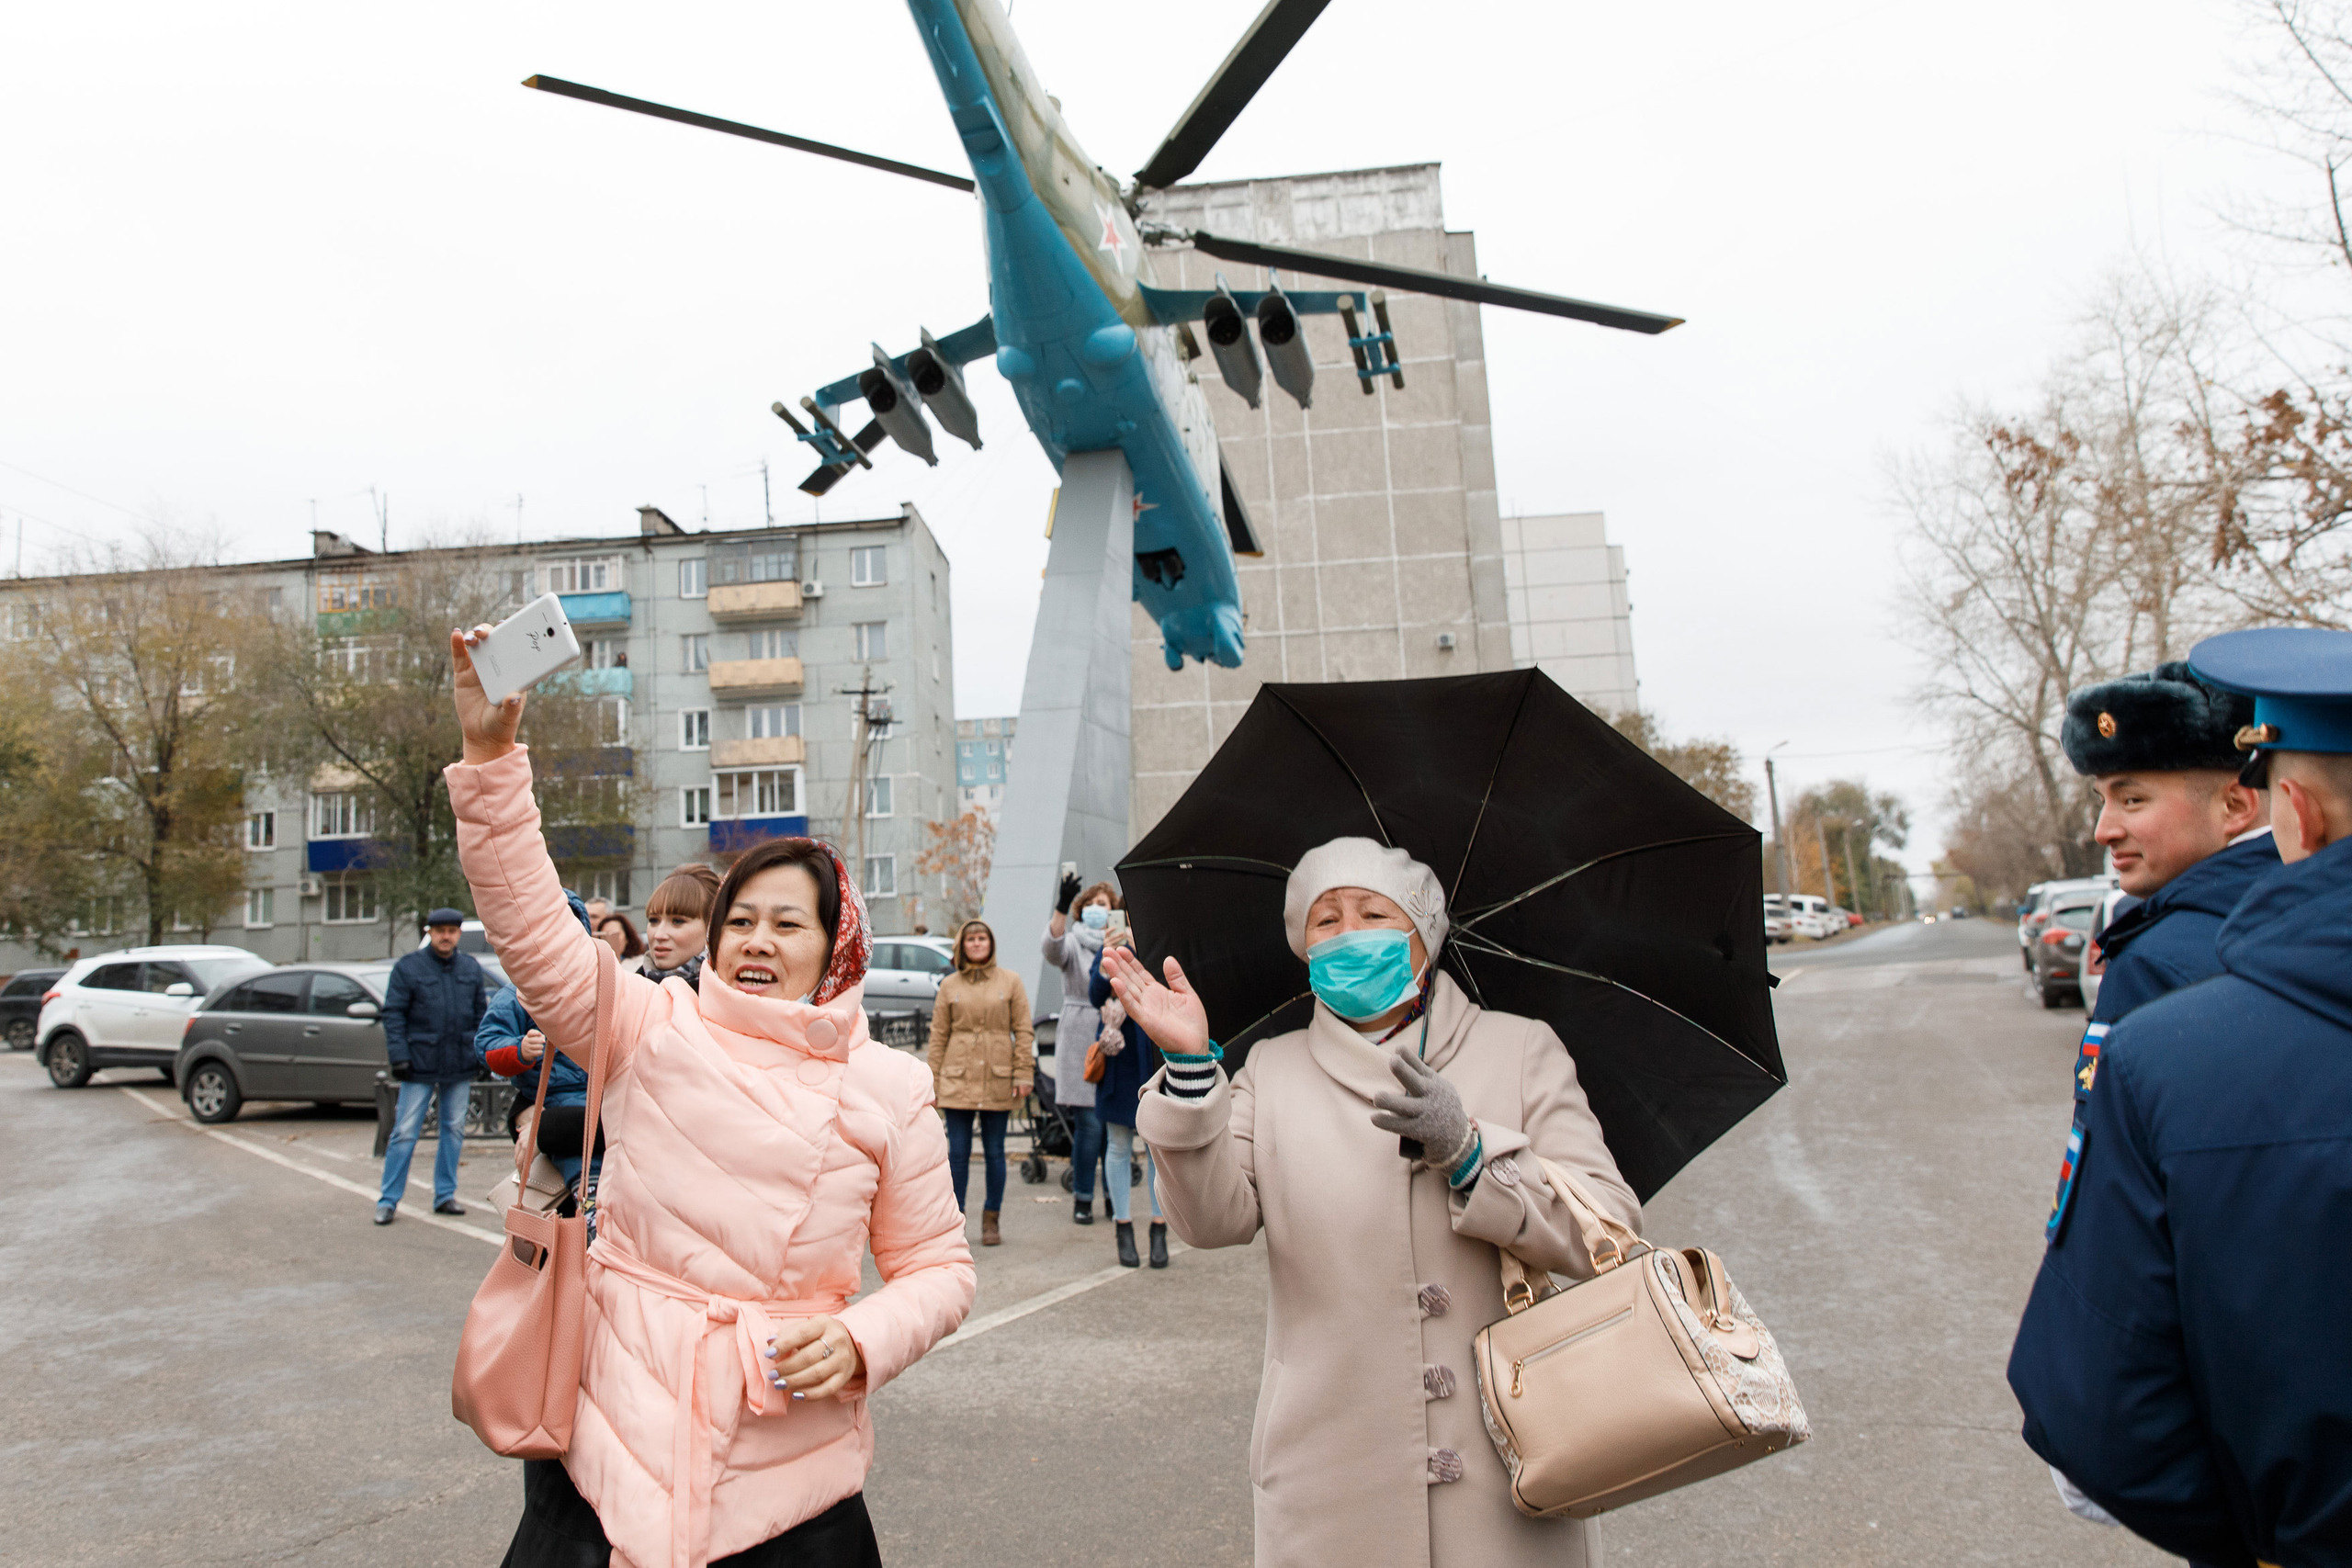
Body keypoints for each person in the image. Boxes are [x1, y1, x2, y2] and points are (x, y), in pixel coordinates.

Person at [445, 627, 974, 1568]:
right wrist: (491, 759)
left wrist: (861, 1338)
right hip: (601, 1438)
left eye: (787, 923)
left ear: (835, 949)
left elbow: (938, 1269)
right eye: (740, 921)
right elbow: (530, 925)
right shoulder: (651, 1025)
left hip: (785, 1468)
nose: (757, 941)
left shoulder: (890, 1089)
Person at [1106, 836, 1639, 1568]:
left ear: (1423, 935)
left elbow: (1606, 1229)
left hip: (1514, 1471)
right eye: (1325, 919)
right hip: (1326, 1476)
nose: (1347, 933)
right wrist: (1194, 1069)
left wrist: (1474, 1154)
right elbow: (1209, 1221)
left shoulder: (1520, 1049)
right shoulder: (1273, 1068)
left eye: (1371, 913)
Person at [2009, 626, 2352, 1563]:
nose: (2104, 827)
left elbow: (2114, 1387)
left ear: (2277, 808)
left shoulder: (2178, 991)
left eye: (2133, 797)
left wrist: (2255, 1535)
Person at [376, 906, 491, 1225]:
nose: (446, 936)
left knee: (454, 1130)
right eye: (440, 930)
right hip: (418, 1063)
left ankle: (445, 1196)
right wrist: (399, 1056)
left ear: (458, 934)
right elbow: (394, 1014)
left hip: (459, 1063)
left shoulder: (469, 967)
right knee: (404, 1132)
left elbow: (481, 1016)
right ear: (429, 932)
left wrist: (481, 1055)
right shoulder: (409, 968)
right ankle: (388, 1200)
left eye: (452, 931)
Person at [926, 919, 1033, 1247]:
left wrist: (1023, 1072)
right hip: (958, 1077)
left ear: (991, 943)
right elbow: (938, 1035)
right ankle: (955, 1220)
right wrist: (931, 1080)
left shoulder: (1010, 981)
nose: (976, 943)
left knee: (995, 1152)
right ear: (962, 945)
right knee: (957, 1154)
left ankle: (991, 1219)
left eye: (982, 937)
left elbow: (1024, 1030)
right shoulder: (949, 985)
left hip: (998, 1076)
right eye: (970, 938)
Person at [481, 890, 598, 1189]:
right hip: (549, 1100)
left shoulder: (603, 984)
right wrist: (520, 1050)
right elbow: (487, 1045)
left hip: (603, 1095)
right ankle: (586, 1200)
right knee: (571, 1157)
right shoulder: (518, 993)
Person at [1087, 922, 1166, 1269]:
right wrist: (1109, 960)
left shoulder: (1158, 948)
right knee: (1117, 1146)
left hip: (1151, 1056)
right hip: (1118, 1060)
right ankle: (1123, 1226)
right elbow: (1094, 995)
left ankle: (1159, 1226)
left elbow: (1164, 992)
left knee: (1156, 1150)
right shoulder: (1106, 953)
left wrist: (1143, 950)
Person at [1042, 876, 1115, 1224]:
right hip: (1079, 1034)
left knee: (1112, 1124)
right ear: (1081, 909)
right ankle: (1083, 1198)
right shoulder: (1072, 941)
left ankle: (1112, 1196)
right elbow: (1052, 949)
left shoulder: (1120, 942)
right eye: (1092, 903)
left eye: (1106, 904)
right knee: (1090, 1125)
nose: (1099, 909)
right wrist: (1060, 906)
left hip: (1114, 1033)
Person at [637, 862, 720, 986]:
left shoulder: (729, 997)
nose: (659, 935)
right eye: (653, 920)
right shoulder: (623, 992)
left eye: (677, 921)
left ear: (711, 928)